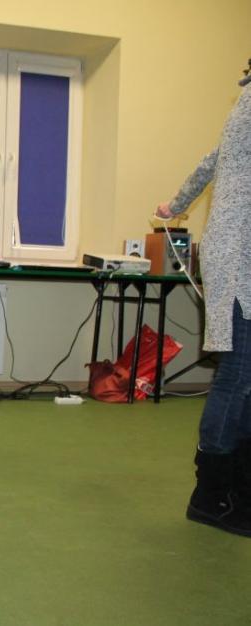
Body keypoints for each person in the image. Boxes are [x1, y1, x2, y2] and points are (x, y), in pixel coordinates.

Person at [156, 58, 251, 537]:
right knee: (238, 375)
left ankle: (238, 488)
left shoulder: (244, 104)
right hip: (239, 257)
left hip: (234, 251)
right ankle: (211, 496)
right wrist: (175, 205)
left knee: (245, 375)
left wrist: (174, 205)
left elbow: (210, 163)